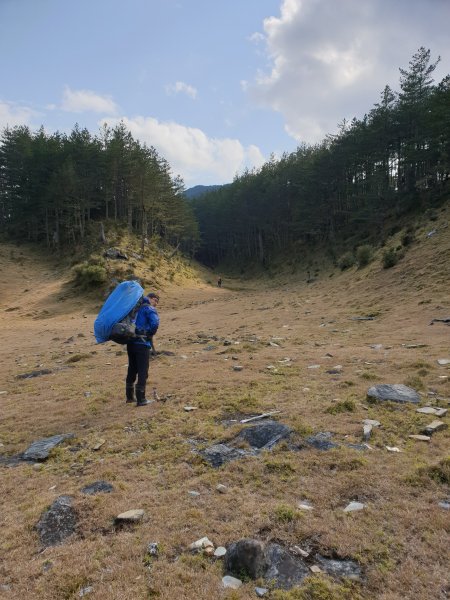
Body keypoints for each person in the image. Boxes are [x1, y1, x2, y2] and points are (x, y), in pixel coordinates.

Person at [125, 292, 160, 406]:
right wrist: (149, 333)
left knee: (132, 368)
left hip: (130, 343)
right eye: (155, 300)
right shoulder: (149, 308)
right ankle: (141, 399)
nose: (156, 304)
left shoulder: (134, 308)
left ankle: (130, 397)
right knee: (143, 371)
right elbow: (155, 323)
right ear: (150, 298)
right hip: (142, 344)